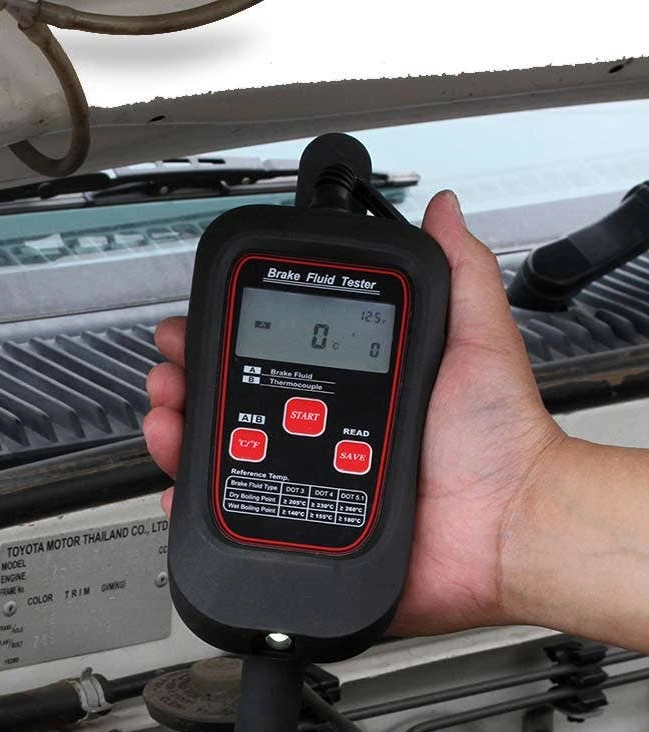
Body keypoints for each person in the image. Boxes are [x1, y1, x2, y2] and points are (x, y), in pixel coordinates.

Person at [143, 191, 649, 653]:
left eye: (344, 337)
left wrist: (514, 510)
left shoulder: (254, 247)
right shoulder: (271, 251)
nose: (305, 415)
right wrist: (514, 516)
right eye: (277, 328)